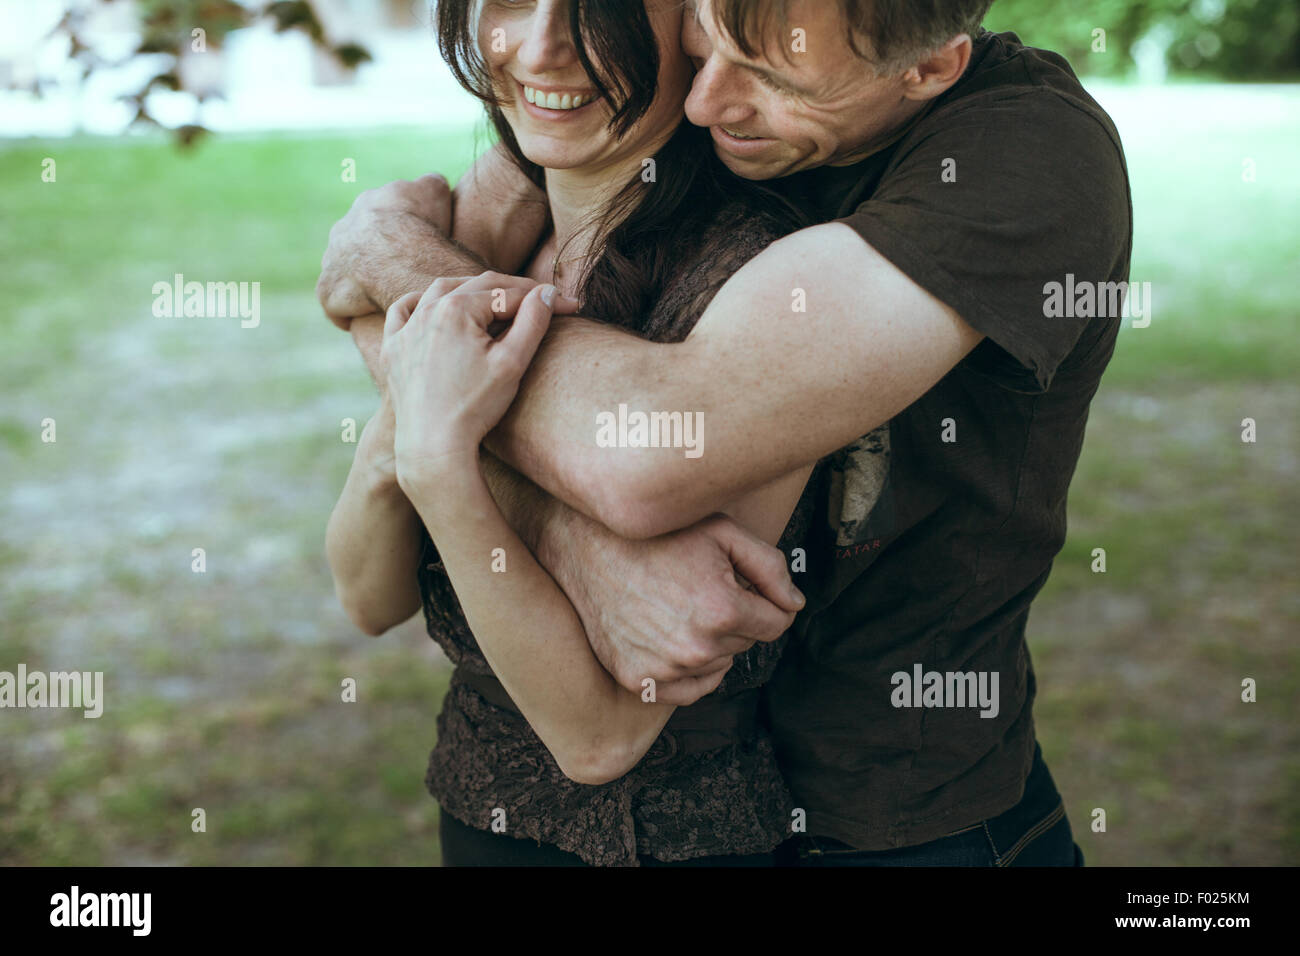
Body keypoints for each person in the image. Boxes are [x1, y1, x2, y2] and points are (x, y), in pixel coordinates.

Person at [321, 0, 1133, 866]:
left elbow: (641, 453)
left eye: (774, 79)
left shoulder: (1024, 155)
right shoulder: (641, 128)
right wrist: (396, 285)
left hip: (906, 820)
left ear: (928, 69)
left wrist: (393, 283)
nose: (706, 106)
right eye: (703, 43)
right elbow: (537, 137)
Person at [327, 0, 819, 866]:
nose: (543, 48)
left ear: (698, 25)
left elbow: (599, 738)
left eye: (603, 8)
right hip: (473, 814)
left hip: (667, 846)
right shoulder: (483, 250)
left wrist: (445, 465)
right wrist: (398, 436)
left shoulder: (753, 289)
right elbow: (372, 600)